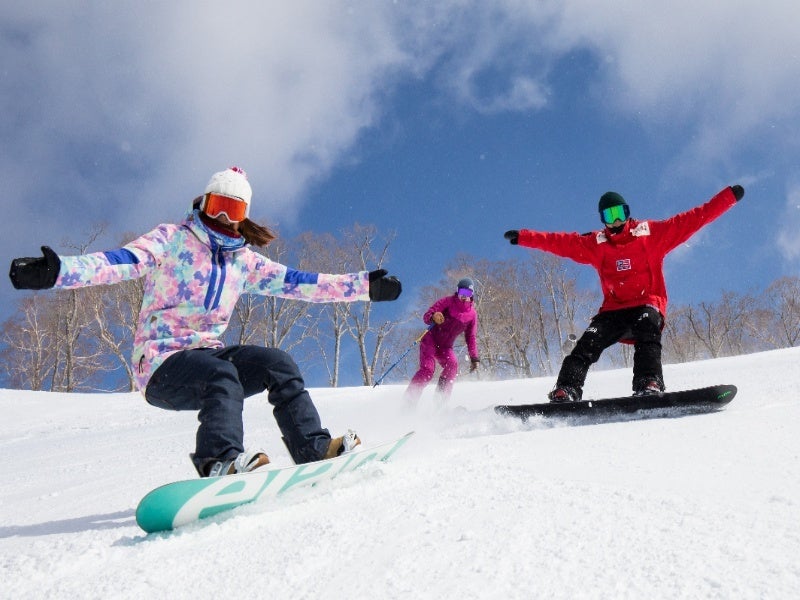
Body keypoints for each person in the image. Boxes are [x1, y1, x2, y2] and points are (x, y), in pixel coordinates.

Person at [9, 166, 402, 476]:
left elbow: (300, 283)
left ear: (242, 218)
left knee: (277, 363)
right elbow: (121, 262)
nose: (222, 217)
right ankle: (219, 462)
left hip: (208, 356)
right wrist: (58, 272)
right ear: (202, 202)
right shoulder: (172, 239)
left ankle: (313, 449)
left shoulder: (242, 262)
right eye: (216, 205)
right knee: (221, 375)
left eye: (233, 211)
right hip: (162, 365)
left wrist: (364, 286)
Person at [503, 185, 744, 402]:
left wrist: (727, 198)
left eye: (621, 213)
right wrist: (525, 237)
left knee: (648, 330)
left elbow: (693, 219)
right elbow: (559, 242)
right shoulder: (595, 245)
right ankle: (567, 389)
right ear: (602, 220)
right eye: (610, 216)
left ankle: (648, 382)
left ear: (628, 213)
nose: (616, 220)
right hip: (613, 310)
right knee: (588, 343)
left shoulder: (650, 235)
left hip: (646, 304)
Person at [404, 277, 480, 404]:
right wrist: (433, 316)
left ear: (471, 295)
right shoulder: (448, 302)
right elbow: (427, 316)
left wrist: (474, 357)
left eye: (468, 293)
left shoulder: (472, 315)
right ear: (457, 291)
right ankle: (409, 399)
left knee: (453, 365)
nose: (464, 296)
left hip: (445, 347)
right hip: (431, 339)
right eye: (462, 292)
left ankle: (440, 400)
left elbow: (470, 337)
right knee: (428, 370)